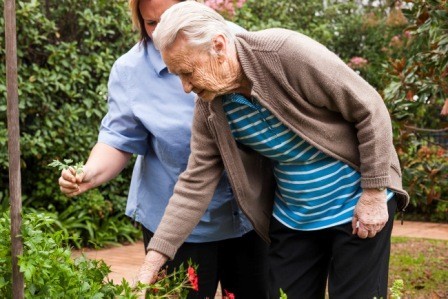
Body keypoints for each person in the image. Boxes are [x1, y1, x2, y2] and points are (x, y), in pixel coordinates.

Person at [138, 2, 410, 298]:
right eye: (178, 75)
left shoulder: (284, 53)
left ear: (218, 46)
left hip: (355, 203)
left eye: (188, 72)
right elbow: (195, 182)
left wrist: (373, 193)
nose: (186, 88)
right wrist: (155, 257)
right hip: (294, 216)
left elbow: (370, 108)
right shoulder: (210, 107)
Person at [57, 0, 269, 298]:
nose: (159, 35)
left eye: (167, 19)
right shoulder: (130, 70)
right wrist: (89, 173)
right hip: (176, 224)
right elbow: (118, 139)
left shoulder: (231, 41)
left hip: (249, 216)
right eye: (150, 23)